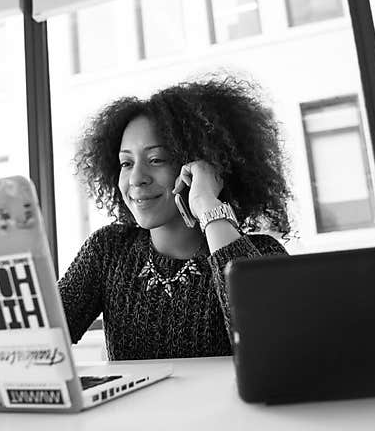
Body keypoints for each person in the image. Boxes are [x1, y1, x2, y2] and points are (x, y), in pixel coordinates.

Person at [59, 76, 293, 360]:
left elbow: (275, 345)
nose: (136, 179)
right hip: (136, 407)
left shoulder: (262, 254)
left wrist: (207, 205)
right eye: (126, 163)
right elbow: (40, 338)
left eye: (156, 159)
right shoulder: (107, 251)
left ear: (196, 166)